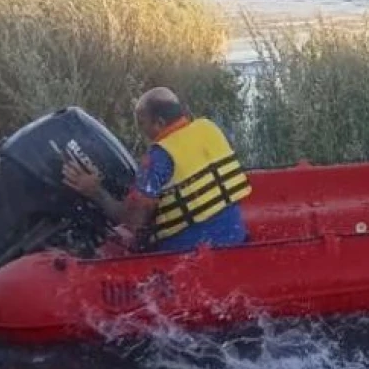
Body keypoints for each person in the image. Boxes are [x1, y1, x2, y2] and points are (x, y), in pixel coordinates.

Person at [62, 87, 251, 252]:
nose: (140, 131)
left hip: (186, 256)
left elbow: (133, 221)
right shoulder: (208, 128)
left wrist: (96, 192)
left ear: (159, 123)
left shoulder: (159, 157)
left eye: (142, 123)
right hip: (236, 241)